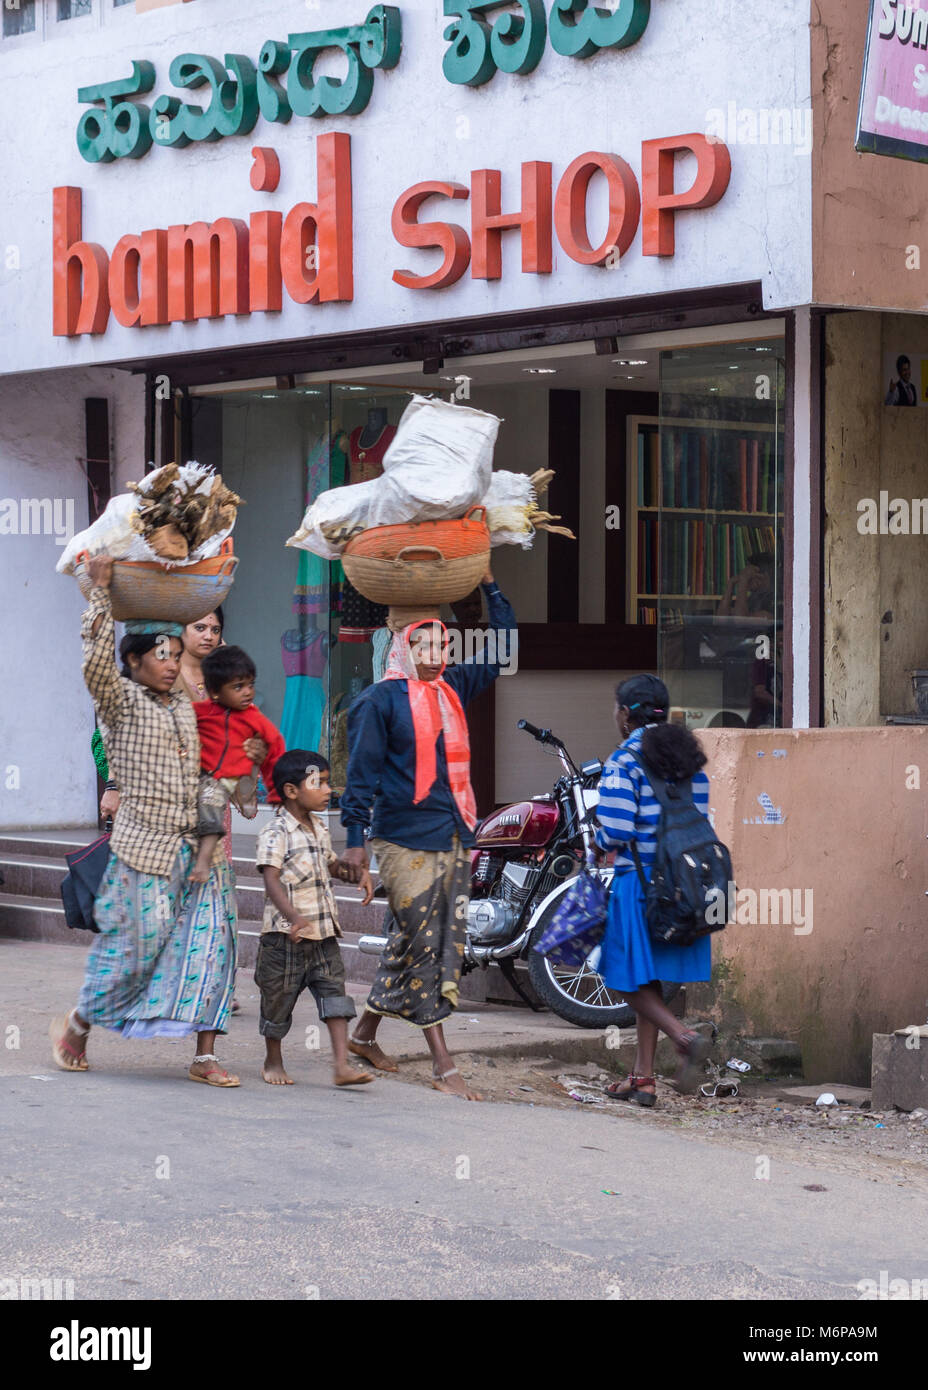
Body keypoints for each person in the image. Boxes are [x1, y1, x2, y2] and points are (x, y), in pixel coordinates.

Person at [50, 554, 241, 1087]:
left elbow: (215, 763)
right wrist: (102, 598)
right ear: (134, 662)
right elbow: (94, 663)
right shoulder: (122, 702)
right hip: (144, 851)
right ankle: (79, 1023)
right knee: (134, 952)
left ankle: (204, 1054)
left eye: (175, 654)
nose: (170, 662)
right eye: (161, 654)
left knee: (216, 944)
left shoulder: (188, 704)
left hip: (204, 845)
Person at [339, 572, 516, 1100]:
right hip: (400, 839)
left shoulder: (453, 690)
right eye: (425, 644)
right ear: (403, 645)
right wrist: (355, 843)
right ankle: (443, 1063)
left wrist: (491, 585)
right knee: (426, 944)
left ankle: (364, 1035)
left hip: (454, 833)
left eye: (443, 642)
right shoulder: (378, 702)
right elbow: (362, 777)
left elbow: (503, 647)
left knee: (422, 938)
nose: (437, 652)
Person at [594, 674, 714, 1107]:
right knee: (650, 979)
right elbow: (702, 816)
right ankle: (643, 1078)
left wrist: (597, 840)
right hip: (683, 886)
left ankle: (683, 1036)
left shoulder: (624, 760)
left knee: (618, 973)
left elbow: (616, 830)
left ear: (626, 714)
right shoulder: (687, 759)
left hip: (638, 884)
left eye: (616, 709)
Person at [255, 750, 374, 1087]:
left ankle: (341, 1065)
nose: (327, 790)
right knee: (277, 1002)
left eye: (326, 782)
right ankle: (273, 1058)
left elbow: (331, 865)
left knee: (335, 996)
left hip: (322, 935)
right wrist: (293, 917)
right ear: (292, 791)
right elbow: (270, 879)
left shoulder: (320, 829)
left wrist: (355, 874)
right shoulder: (276, 831)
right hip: (283, 939)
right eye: (318, 783)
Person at [190, 644, 286, 882]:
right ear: (214, 692)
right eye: (238, 687)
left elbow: (275, 748)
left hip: (226, 778)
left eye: (250, 684)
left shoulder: (254, 717)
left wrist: (275, 793)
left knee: (210, 804)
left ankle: (203, 863)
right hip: (199, 774)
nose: (247, 692)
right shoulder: (202, 711)